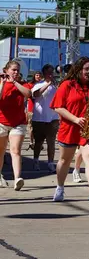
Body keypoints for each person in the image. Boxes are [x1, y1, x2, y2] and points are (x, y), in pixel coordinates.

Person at [50, 57, 89, 204]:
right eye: (86, 69)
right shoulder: (67, 85)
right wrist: (76, 119)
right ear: (78, 70)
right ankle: (60, 187)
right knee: (65, 160)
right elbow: (58, 107)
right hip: (70, 127)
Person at [0, 60, 32, 190]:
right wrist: (3, 83)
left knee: (15, 150)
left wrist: (14, 82)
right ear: (6, 70)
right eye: (13, 70)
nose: (16, 72)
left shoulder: (23, 84)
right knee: (1, 150)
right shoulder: (1, 83)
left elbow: (28, 94)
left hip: (18, 123)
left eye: (18, 70)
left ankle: (17, 178)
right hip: (1, 121)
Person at [31, 64, 59, 173]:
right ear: (44, 73)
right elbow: (36, 94)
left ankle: (50, 163)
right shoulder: (39, 84)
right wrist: (47, 84)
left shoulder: (56, 85)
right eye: (49, 72)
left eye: (52, 72)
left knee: (51, 142)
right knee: (38, 142)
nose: (51, 74)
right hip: (39, 118)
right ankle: (36, 160)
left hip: (53, 117)